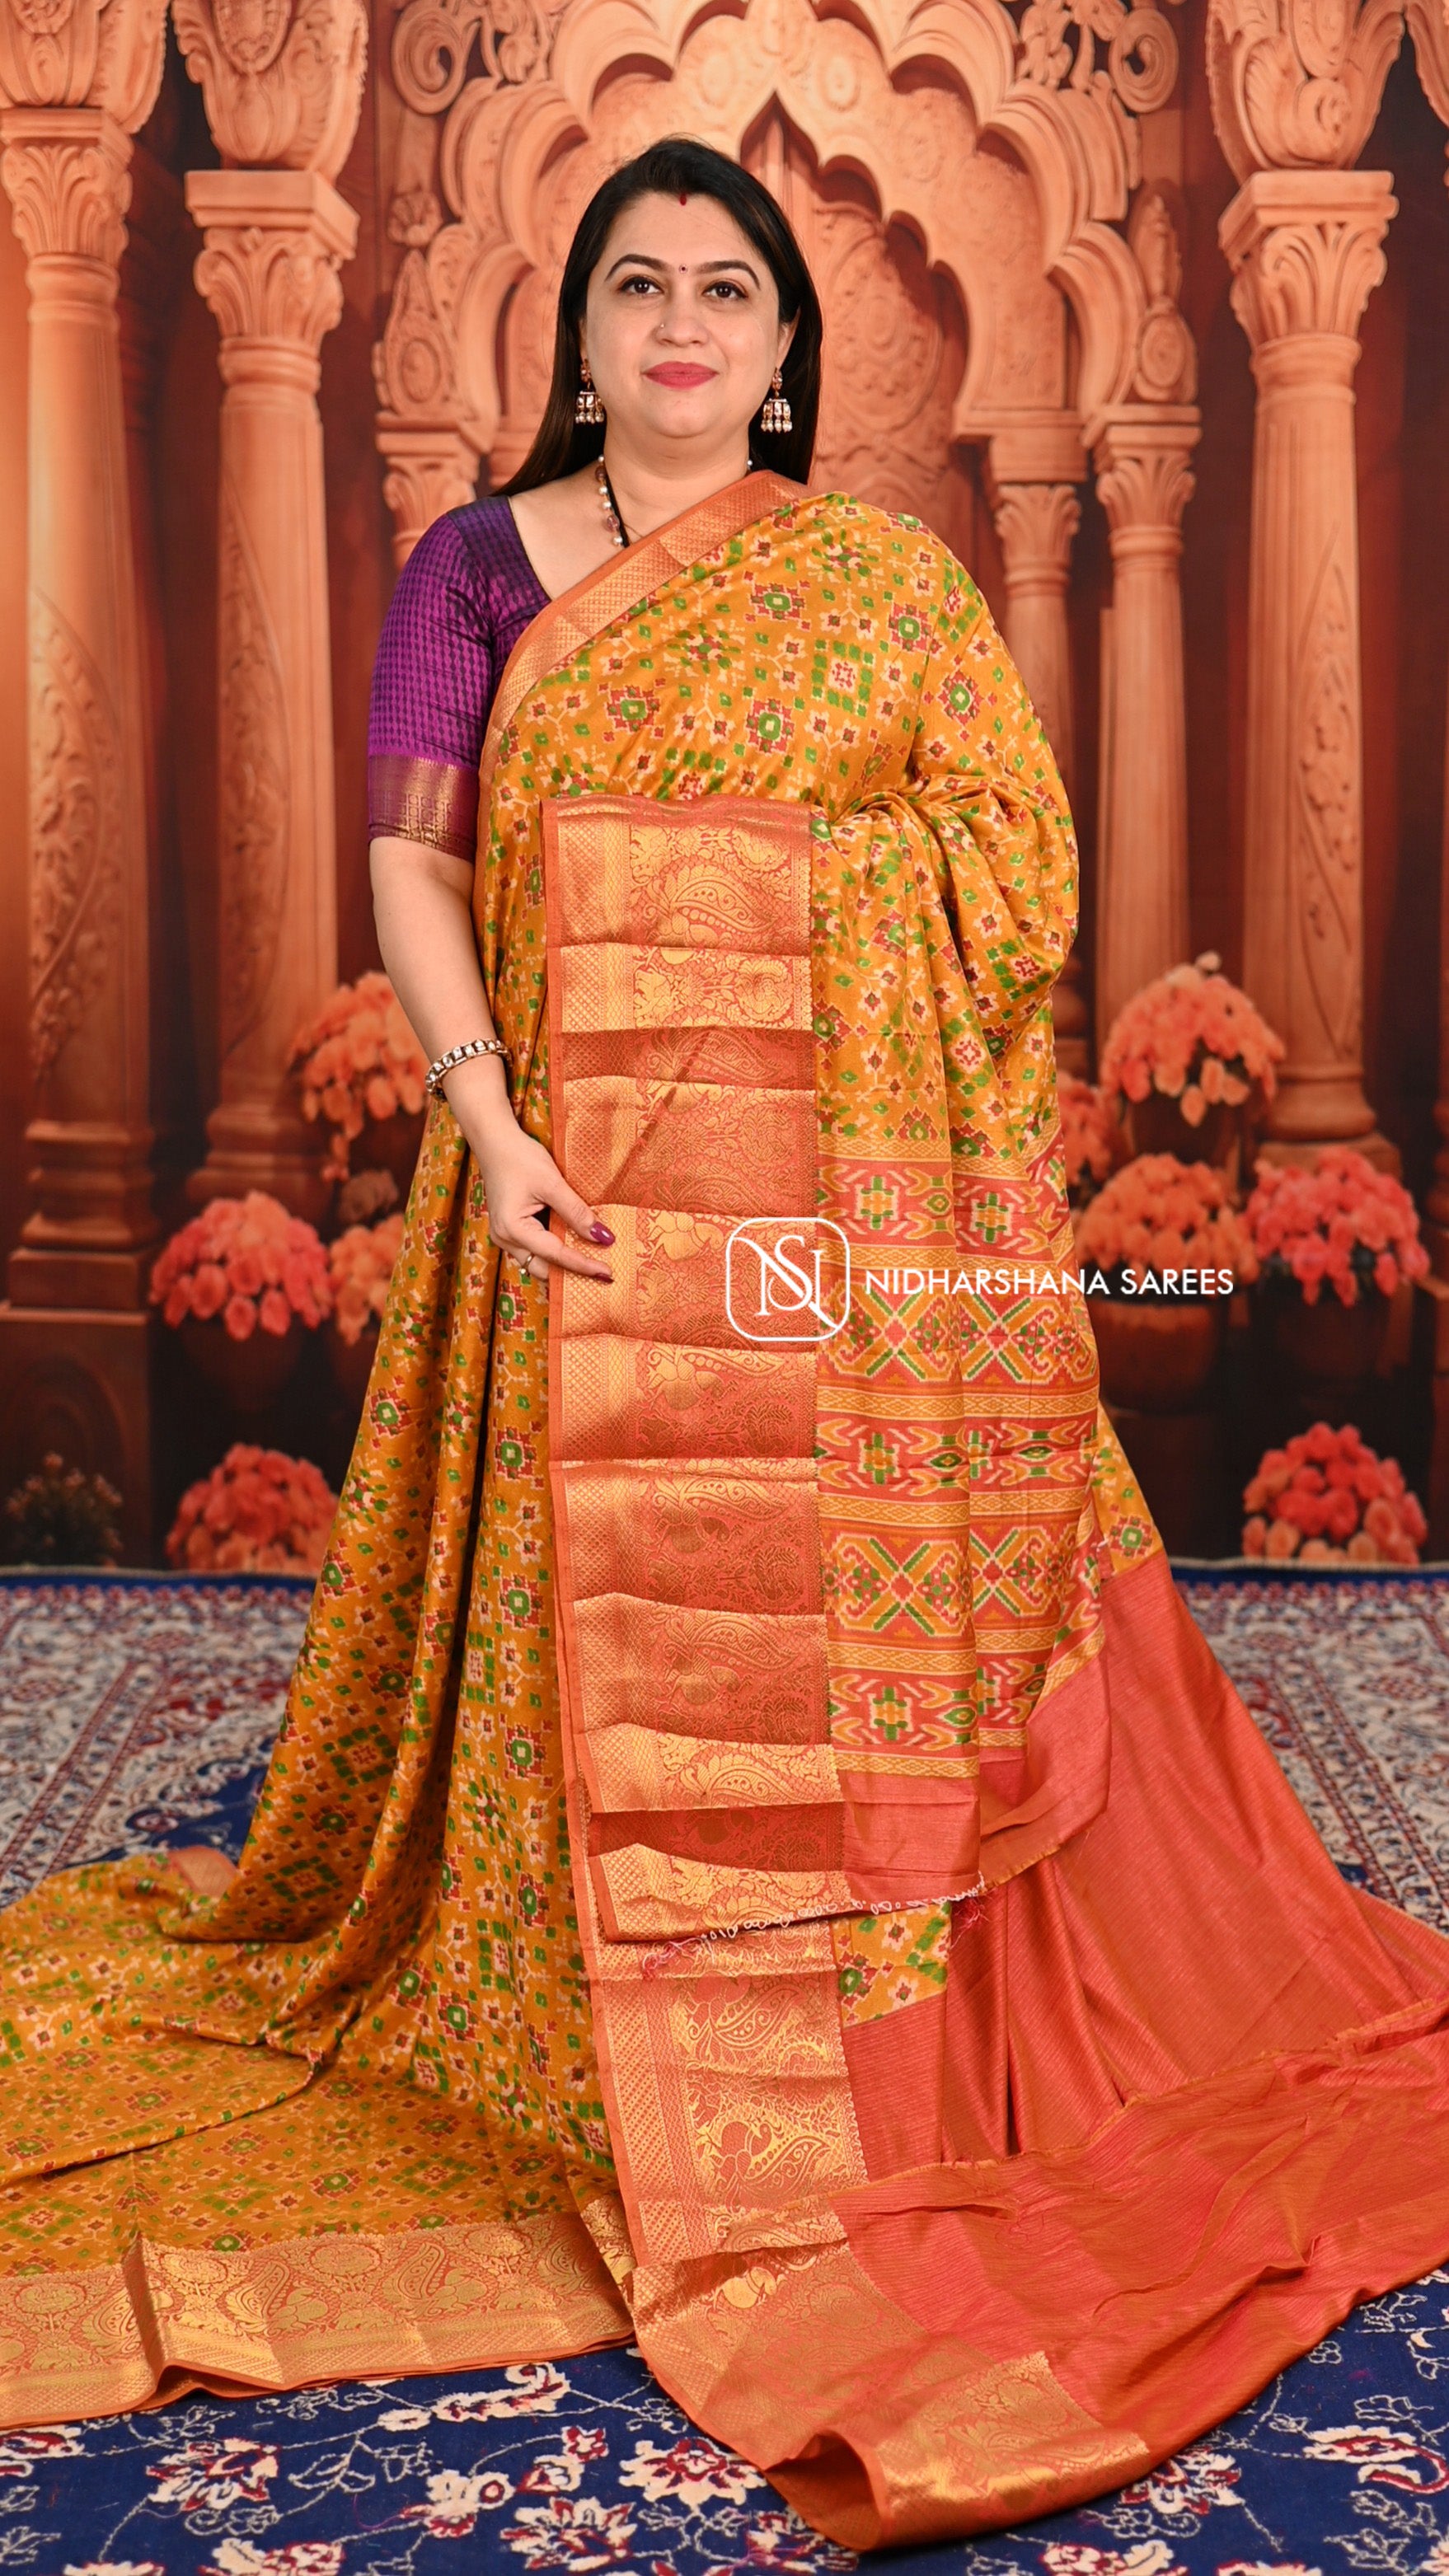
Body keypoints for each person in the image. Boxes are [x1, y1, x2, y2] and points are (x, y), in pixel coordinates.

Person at [2, 133, 1448, 2552]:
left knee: (829, 1636)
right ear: (577, 327)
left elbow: (1011, 872)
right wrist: (484, 1118)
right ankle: (599, 1998)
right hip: (566, 1210)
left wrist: (820, 910)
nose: (681, 325)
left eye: (726, 293)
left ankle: (854, 1988)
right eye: (640, 285)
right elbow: (413, 858)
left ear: (785, 349)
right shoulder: (478, 568)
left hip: (834, 1240)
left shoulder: (877, 588)